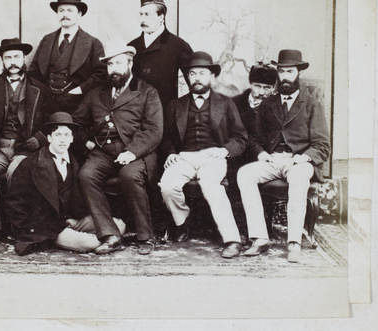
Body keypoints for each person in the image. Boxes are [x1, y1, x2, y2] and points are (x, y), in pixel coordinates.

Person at [237, 49, 330, 262]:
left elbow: (322, 145)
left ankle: (294, 242)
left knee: (298, 177)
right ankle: (260, 238)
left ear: (298, 73)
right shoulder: (269, 103)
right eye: (281, 72)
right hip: (273, 160)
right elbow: (255, 138)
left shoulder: (312, 104)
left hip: (299, 161)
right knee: (245, 174)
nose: (285, 77)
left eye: (290, 71)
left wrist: (303, 157)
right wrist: (260, 154)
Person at [73, 38, 163, 255]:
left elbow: (154, 129)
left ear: (130, 64)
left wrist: (131, 152)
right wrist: (85, 141)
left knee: (130, 176)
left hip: (137, 152)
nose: (114, 69)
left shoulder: (147, 91)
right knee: (86, 175)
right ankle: (110, 235)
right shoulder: (96, 93)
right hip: (102, 152)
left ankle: (145, 235)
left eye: (119, 63)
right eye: (110, 64)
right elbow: (76, 122)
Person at [158, 52, 248, 259]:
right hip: (184, 157)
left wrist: (224, 150)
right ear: (188, 78)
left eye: (202, 73)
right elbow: (166, 138)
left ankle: (232, 239)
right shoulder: (176, 105)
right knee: (167, 185)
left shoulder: (225, 103)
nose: (197, 77)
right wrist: (170, 153)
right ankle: (182, 223)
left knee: (211, 186)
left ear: (211, 76)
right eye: (192, 73)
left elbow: (241, 137)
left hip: (212, 157)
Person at [5, 112, 126, 256]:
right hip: (47, 227)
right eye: (58, 135)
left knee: (119, 226)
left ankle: (98, 240)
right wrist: (29, 228)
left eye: (66, 135)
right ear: (49, 138)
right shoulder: (30, 164)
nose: (62, 140)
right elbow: (14, 202)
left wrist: (74, 220)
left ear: (72, 138)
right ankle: (88, 242)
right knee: (90, 243)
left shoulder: (77, 163)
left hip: (71, 221)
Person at [0, 38, 49, 245]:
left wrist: (38, 139)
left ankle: (17, 225)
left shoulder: (40, 88)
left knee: (17, 172)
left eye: (16, 57)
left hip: (25, 148)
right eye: (7, 58)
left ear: (24, 59)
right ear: (2, 62)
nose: (12, 62)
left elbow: (52, 119)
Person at [28, 0, 106, 114]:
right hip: (47, 102)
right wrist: (42, 92)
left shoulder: (93, 43)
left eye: (70, 10)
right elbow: (34, 71)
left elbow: (101, 74)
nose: (65, 14)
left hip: (78, 102)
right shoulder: (47, 40)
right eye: (61, 11)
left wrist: (79, 90)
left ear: (79, 14)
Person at [128, 0, 194, 109]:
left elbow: (194, 84)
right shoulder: (131, 47)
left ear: (161, 17)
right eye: (141, 14)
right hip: (134, 116)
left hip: (165, 117)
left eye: (147, 14)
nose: (142, 19)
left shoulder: (179, 46)